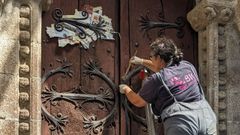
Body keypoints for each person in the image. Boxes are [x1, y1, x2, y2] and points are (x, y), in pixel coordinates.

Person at [119, 36, 217, 135]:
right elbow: (164, 69)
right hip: (207, 118)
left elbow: (138, 101)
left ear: (159, 58)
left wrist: (126, 89)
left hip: (183, 122)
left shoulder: (158, 78)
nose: (151, 59)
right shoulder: (188, 66)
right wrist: (142, 61)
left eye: (151, 57)